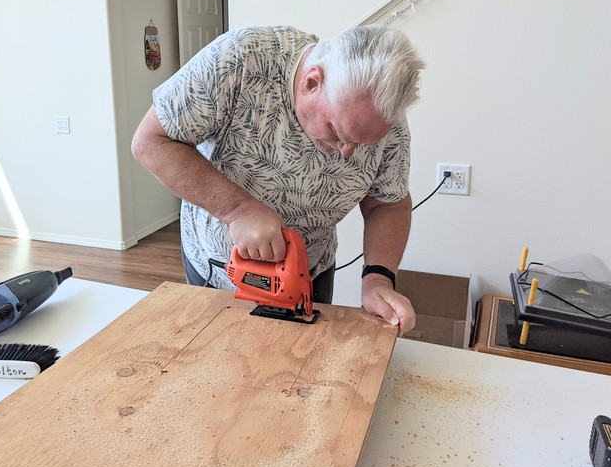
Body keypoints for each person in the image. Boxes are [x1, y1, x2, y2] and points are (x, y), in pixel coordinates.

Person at [131, 24, 424, 334]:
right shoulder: (240, 60)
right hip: (221, 267)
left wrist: (378, 278)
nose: (347, 153)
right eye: (338, 133)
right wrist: (237, 210)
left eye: (363, 143)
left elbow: (388, 205)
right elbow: (150, 142)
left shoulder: (383, 116)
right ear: (312, 82)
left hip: (311, 268)